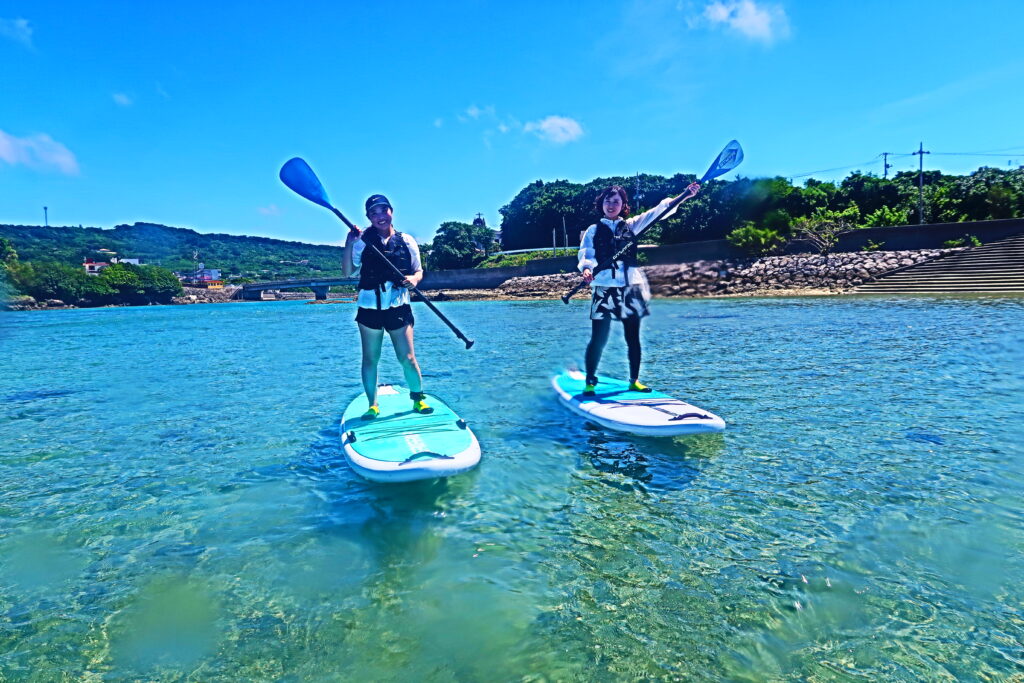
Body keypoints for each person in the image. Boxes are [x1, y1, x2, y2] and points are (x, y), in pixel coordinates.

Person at [577, 182, 701, 396]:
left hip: (630, 287)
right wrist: (587, 269)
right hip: (604, 287)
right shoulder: (593, 230)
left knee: (632, 336)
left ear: (623, 205)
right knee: (599, 337)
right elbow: (586, 253)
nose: (611, 205)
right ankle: (590, 381)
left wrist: (685, 195)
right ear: (602, 204)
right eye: (607, 200)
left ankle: (634, 380)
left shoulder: (633, 225)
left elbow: (659, 211)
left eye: (616, 201)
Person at [342, 194, 433, 418]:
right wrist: (349, 243)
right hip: (369, 310)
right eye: (374, 213)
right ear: (368, 217)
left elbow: (418, 270)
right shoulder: (362, 241)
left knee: (408, 358)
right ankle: (373, 405)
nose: (380, 216)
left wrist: (414, 280)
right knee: (370, 358)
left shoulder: (408, 241)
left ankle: (418, 399)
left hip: (398, 307)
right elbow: (348, 272)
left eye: (383, 210)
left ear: (391, 211)